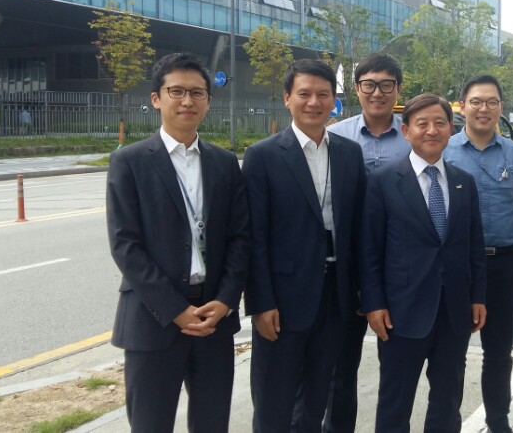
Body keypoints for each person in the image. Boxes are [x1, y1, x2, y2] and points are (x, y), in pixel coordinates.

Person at [105, 52, 251, 432]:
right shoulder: (130, 162)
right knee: (151, 424)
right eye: (177, 91)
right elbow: (125, 245)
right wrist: (175, 309)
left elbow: (240, 238)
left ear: (208, 101)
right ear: (157, 98)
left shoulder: (224, 163)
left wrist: (226, 300)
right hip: (154, 319)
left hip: (214, 316)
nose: (188, 101)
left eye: (197, 93)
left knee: (212, 423)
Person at [242, 59, 367, 432]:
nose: (314, 102)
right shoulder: (263, 156)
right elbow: (254, 236)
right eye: (304, 94)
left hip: (335, 296)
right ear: (287, 98)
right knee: (274, 400)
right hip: (283, 298)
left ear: (334, 101)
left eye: (323, 94)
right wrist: (261, 302)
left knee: (316, 397)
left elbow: (358, 229)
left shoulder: (349, 153)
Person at [360, 93, 487, 432]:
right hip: (401, 312)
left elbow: (474, 246)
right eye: (422, 124)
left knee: (447, 400)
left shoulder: (463, 182)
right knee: (395, 402)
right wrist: (374, 304)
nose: (432, 130)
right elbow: (370, 250)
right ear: (406, 131)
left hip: (454, 311)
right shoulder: (383, 181)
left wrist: (477, 297)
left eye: (440, 123)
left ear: (450, 129)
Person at [322, 53, 410, 431]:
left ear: (398, 89)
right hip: (345, 268)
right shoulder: (335, 136)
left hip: (398, 270)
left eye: (386, 85)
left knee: (398, 367)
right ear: (356, 89)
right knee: (340, 369)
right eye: (369, 85)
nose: (377, 93)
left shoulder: (413, 136)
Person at [444, 75, 513, 433]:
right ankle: (448, 422)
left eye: (492, 102)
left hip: (504, 264)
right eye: (477, 102)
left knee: (498, 353)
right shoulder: (445, 151)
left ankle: (499, 422)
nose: (484, 109)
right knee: (452, 353)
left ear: (501, 107)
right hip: (456, 266)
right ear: (463, 106)